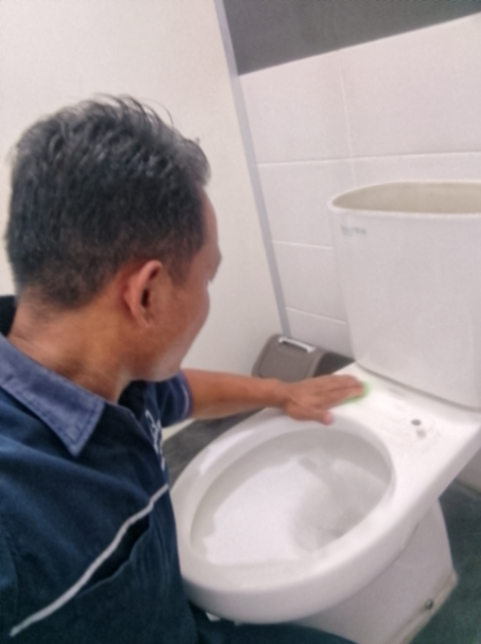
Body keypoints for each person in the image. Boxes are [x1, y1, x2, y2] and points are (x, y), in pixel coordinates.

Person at [0, 97, 363, 644]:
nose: (207, 295)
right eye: (207, 277)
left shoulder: (117, 377)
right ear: (146, 294)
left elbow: (183, 392)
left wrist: (280, 391)